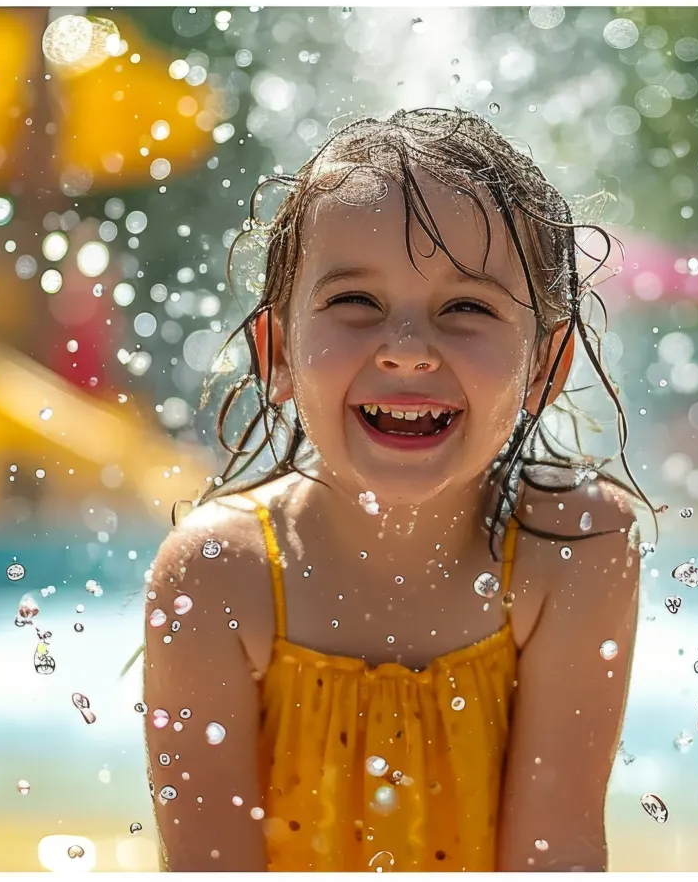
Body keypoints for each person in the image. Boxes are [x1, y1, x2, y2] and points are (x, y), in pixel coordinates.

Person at [141, 109, 649, 872]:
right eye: (356, 303)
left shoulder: (577, 549)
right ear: (277, 352)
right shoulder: (217, 577)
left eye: (466, 308)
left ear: (545, 366)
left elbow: (558, 852)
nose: (407, 350)